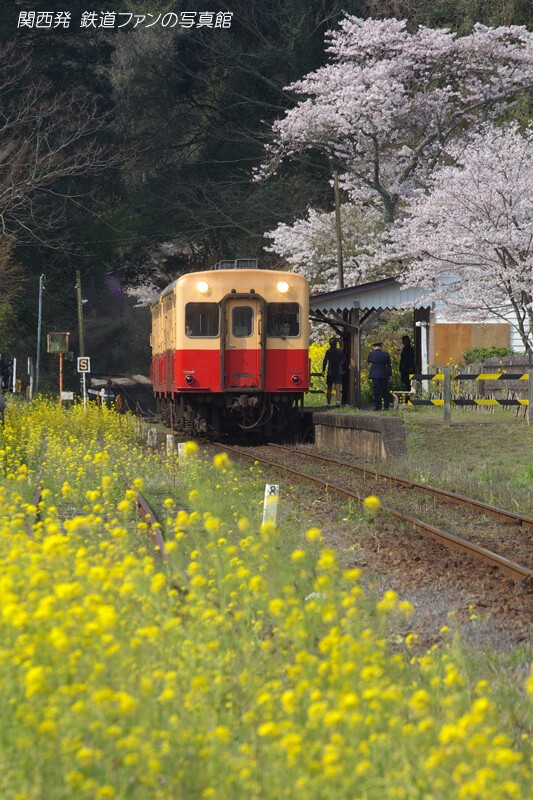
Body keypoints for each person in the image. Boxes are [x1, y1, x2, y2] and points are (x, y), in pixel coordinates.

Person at [367, 342, 392, 411]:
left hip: (375, 375)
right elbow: (389, 366)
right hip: (384, 374)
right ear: (381, 346)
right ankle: (386, 406)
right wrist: (390, 375)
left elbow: (370, 363)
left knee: (376, 391)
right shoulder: (386, 354)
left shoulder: (371, 354)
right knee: (385, 390)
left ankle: (378, 406)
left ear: (374, 347)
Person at [322, 337, 345, 407]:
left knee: (329, 388)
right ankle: (338, 402)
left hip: (330, 372)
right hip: (338, 371)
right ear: (336, 344)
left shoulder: (328, 352)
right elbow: (344, 361)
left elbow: (325, 361)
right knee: (338, 387)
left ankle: (329, 403)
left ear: (329, 344)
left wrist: (323, 370)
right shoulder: (340, 352)